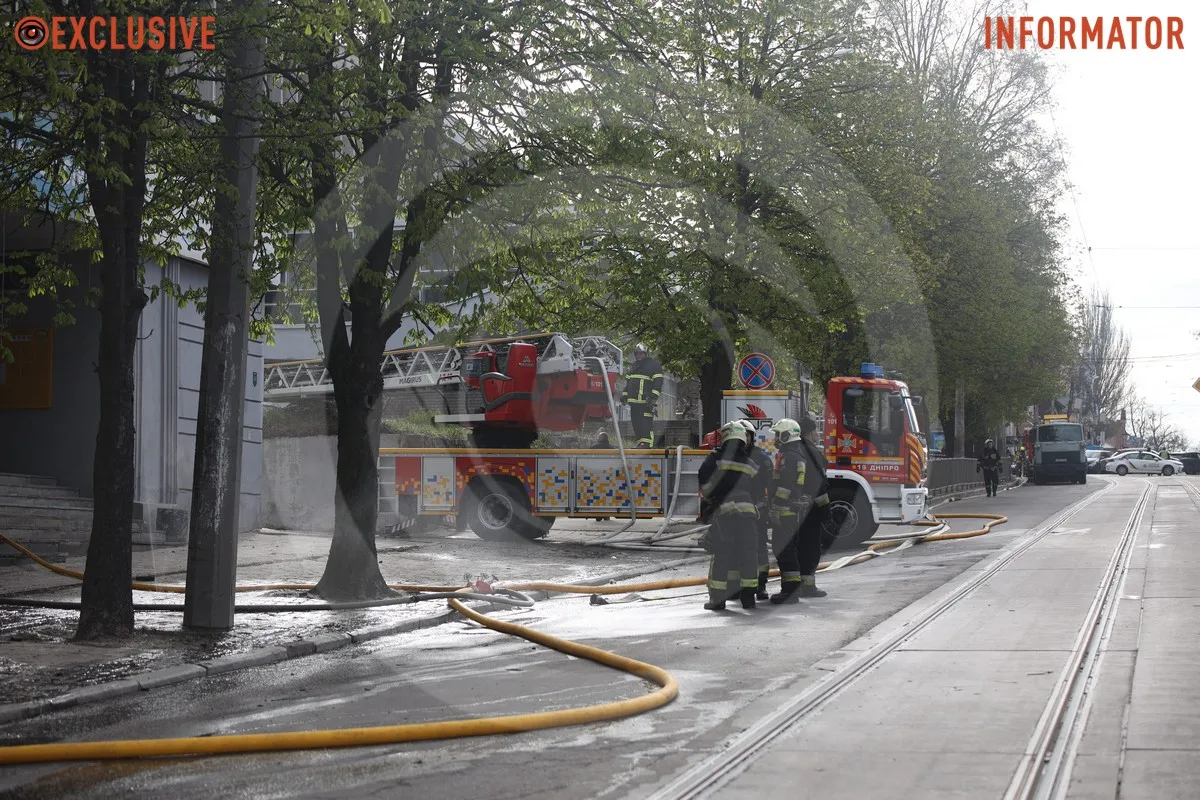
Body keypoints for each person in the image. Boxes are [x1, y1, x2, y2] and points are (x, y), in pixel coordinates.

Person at [697, 420, 762, 610]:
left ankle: (717, 600)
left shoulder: (716, 459)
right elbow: (757, 489)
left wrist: (711, 497)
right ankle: (748, 599)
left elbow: (703, 477)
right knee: (749, 555)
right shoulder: (751, 464)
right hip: (749, 515)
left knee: (722, 555)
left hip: (725, 514)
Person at [768, 415, 831, 603]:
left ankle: (796, 587)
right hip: (807, 509)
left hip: (793, 510)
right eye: (816, 431)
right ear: (810, 432)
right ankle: (806, 586)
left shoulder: (792, 453)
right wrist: (825, 511)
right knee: (809, 547)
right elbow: (819, 485)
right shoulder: (809, 452)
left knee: (791, 548)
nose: (818, 435)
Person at [736, 419, 775, 601]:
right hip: (734, 512)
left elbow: (770, 484)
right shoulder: (731, 456)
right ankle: (737, 588)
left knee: (758, 549)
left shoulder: (761, 458)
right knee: (733, 549)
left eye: (745, 435)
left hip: (757, 511)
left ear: (751, 437)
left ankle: (760, 586)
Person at [621, 343, 663, 448]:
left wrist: (652, 398)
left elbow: (658, 384)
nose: (639, 355)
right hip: (634, 403)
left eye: (641, 353)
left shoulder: (653, 365)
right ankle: (640, 443)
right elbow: (628, 384)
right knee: (636, 424)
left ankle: (647, 444)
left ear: (645, 353)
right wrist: (625, 395)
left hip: (646, 402)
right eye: (637, 354)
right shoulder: (634, 366)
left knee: (646, 424)